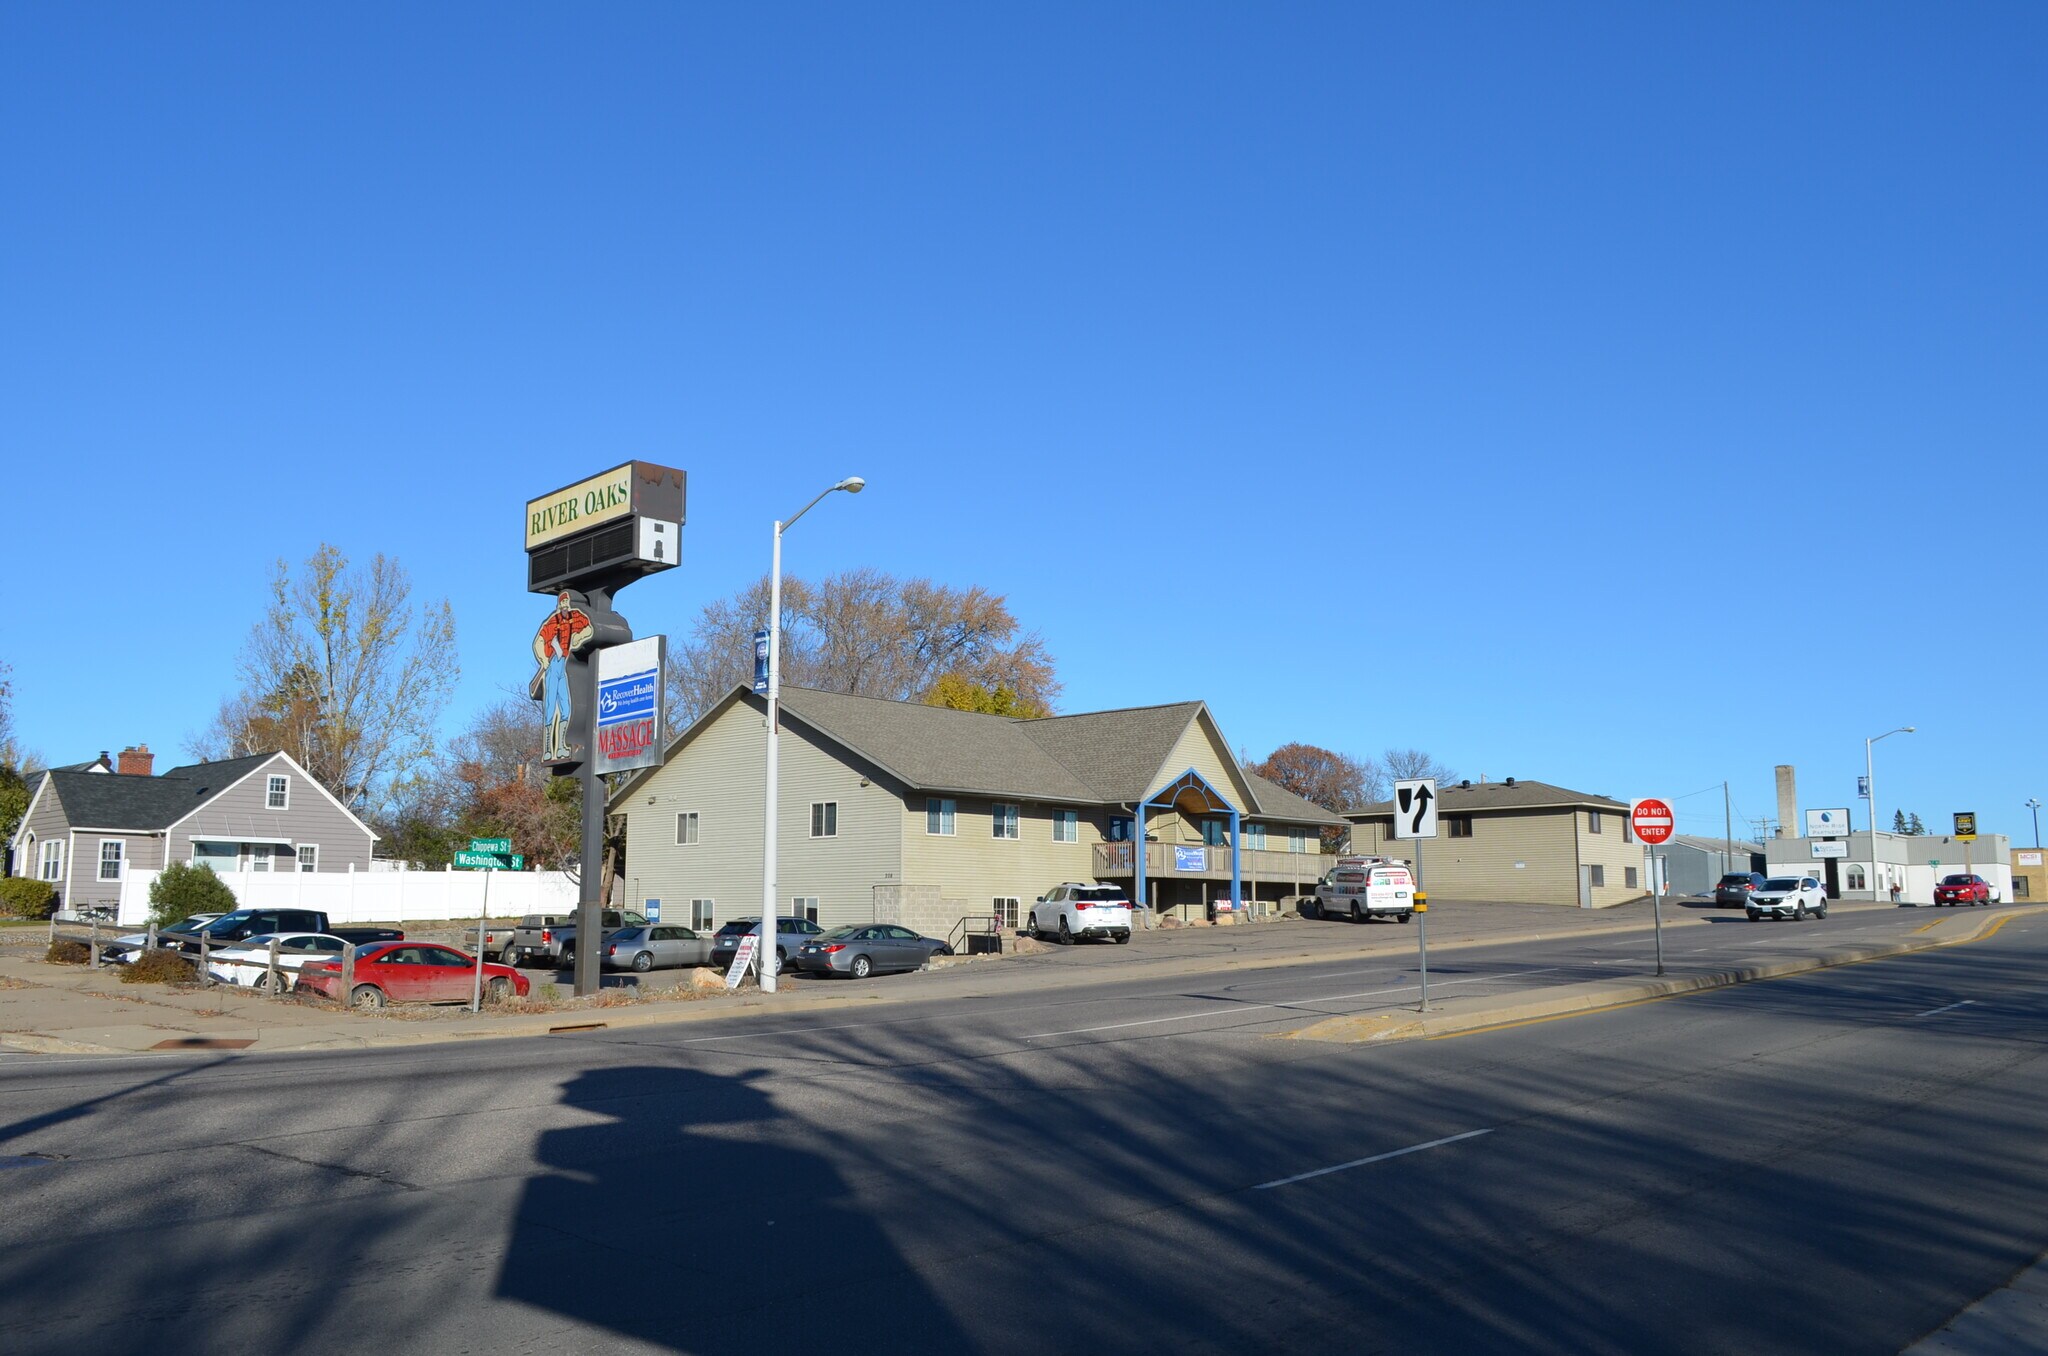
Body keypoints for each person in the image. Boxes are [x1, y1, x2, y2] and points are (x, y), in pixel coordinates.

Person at [532, 591, 594, 762]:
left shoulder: (576, 616)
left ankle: (561, 746)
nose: (565, 606)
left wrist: (579, 636)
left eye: (567, 602)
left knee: (566, 707)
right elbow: (539, 641)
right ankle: (548, 749)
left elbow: (589, 627)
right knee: (551, 707)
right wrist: (544, 660)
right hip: (553, 666)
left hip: (565, 667)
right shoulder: (553, 622)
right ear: (559, 605)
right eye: (562, 603)